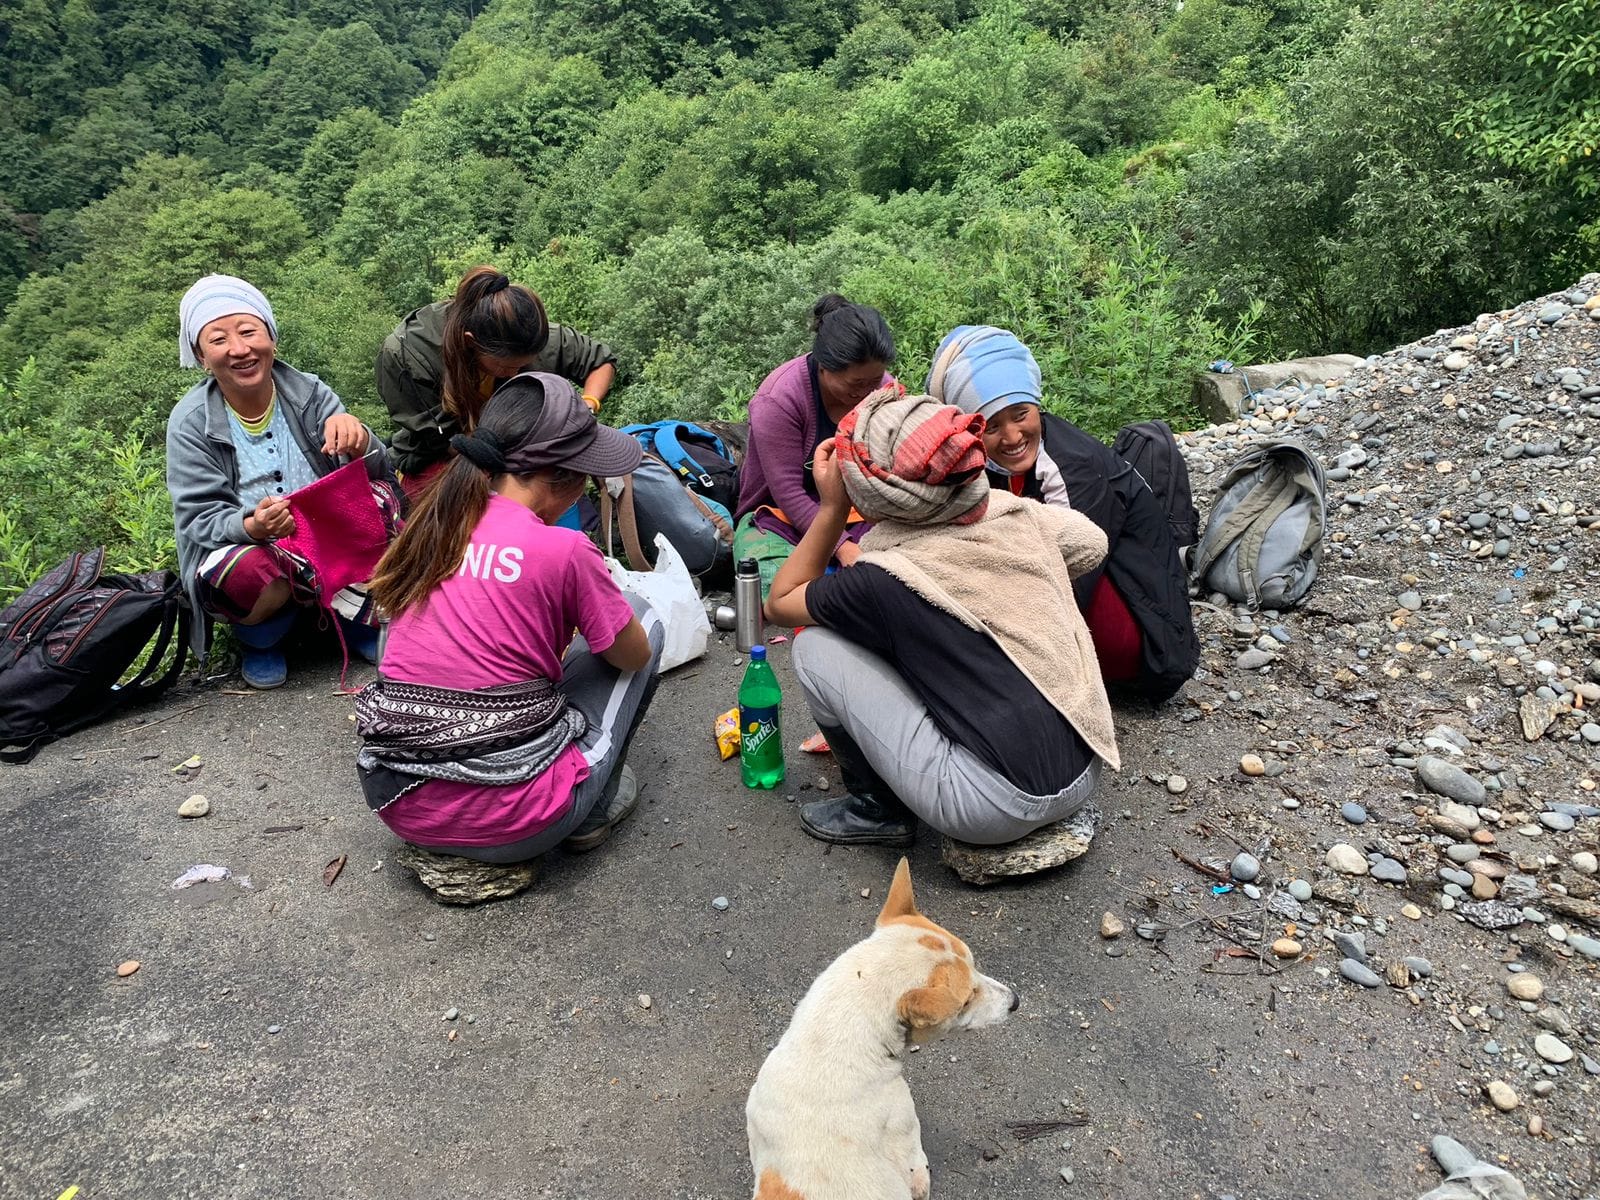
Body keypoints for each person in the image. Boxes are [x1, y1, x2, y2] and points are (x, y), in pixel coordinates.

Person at [764, 388, 1120, 848]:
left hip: (992, 807)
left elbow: (779, 603)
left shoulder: (881, 579)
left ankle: (877, 810)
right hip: (1086, 764)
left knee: (814, 646)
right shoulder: (1017, 516)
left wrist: (831, 510)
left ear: (873, 492)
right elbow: (1091, 542)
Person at [357, 373, 663, 866]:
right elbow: (632, 654)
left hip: (400, 805)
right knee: (645, 622)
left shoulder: (431, 527)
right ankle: (592, 809)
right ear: (565, 477)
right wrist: (604, 606)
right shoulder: (563, 549)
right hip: (516, 823)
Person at [927, 326, 1199, 703]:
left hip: (1148, 647)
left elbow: (1069, 581)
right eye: (990, 425)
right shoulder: (985, 462)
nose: (1011, 436)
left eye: (1020, 414)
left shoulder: (1074, 467)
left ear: (1036, 404)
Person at [166, 274, 397, 690]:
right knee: (244, 570)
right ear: (202, 357)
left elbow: (380, 472)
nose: (239, 349)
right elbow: (198, 520)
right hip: (258, 548)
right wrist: (251, 526)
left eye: (249, 332)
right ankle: (263, 638)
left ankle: (349, 619)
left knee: (380, 502)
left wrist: (359, 437)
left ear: (270, 336)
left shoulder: (309, 392)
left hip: (322, 536)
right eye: (218, 340)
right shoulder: (190, 422)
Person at [376, 265, 619, 498]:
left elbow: (600, 361)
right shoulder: (408, 356)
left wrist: (587, 406)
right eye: (505, 366)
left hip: (518, 448)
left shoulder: (521, 333)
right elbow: (441, 441)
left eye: (522, 366)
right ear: (471, 343)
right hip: (441, 456)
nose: (514, 374)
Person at [733, 294, 898, 596]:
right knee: (768, 584)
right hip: (779, 517)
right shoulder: (779, 401)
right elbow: (789, 494)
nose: (865, 394)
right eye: (854, 385)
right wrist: (843, 547)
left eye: (872, 382)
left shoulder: (883, 388)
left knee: (908, 566)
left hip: (859, 510)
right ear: (824, 367)